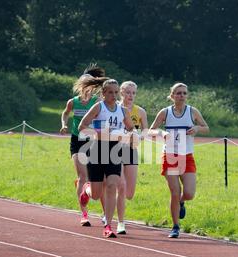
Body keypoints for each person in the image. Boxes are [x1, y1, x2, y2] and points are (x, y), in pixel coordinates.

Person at [149, 83, 210, 238]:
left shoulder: (192, 111)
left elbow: (206, 127)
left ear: (187, 95)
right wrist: (162, 133)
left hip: (187, 156)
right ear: (172, 95)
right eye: (178, 93)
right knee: (174, 192)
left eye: (184, 93)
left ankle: (181, 202)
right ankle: (175, 226)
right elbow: (150, 130)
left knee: (189, 193)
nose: (181, 96)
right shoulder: (165, 112)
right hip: (170, 155)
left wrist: (196, 129)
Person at [78, 79, 135, 238]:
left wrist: (131, 136)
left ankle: (109, 226)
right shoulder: (98, 107)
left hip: (115, 152)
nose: (114, 95)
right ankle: (86, 189)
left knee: (112, 185)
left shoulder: (123, 111)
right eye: (110, 92)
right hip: (97, 150)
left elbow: (131, 128)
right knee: (96, 195)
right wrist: (97, 133)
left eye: (116, 92)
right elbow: (81, 127)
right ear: (103, 93)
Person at [60, 64, 106, 227]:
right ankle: (84, 214)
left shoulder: (97, 102)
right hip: (77, 141)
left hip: (94, 142)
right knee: (83, 177)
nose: (88, 89)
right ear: (80, 86)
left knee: (100, 179)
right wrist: (64, 124)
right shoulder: (73, 102)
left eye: (91, 86)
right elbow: (65, 114)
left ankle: (105, 214)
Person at [114, 81, 148, 235]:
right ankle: (120, 222)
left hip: (131, 150)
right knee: (121, 186)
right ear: (121, 93)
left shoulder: (140, 112)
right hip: (113, 150)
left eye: (133, 93)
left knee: (129, 193)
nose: (131, 96)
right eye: (128, 92)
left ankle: (105, 199)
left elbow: (145, 132)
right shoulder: (113, 108)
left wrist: (139, 136)